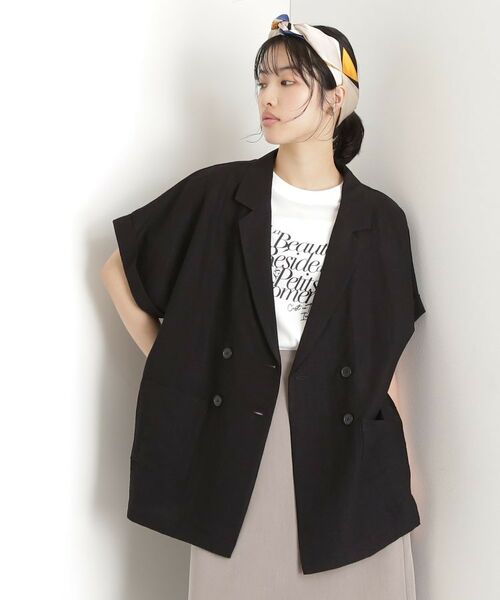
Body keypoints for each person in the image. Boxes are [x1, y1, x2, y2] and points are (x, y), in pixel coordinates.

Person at [102, 14, 424, 599]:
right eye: (262, 82)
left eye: (287, 82)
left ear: (335, 98)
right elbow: (117, 270)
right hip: (244, 423)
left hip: (346, 433)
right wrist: (178, 364)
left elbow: (387, 353)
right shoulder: (219, 193)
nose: (267, 98)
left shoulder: (381, 219)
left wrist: (408, 472)